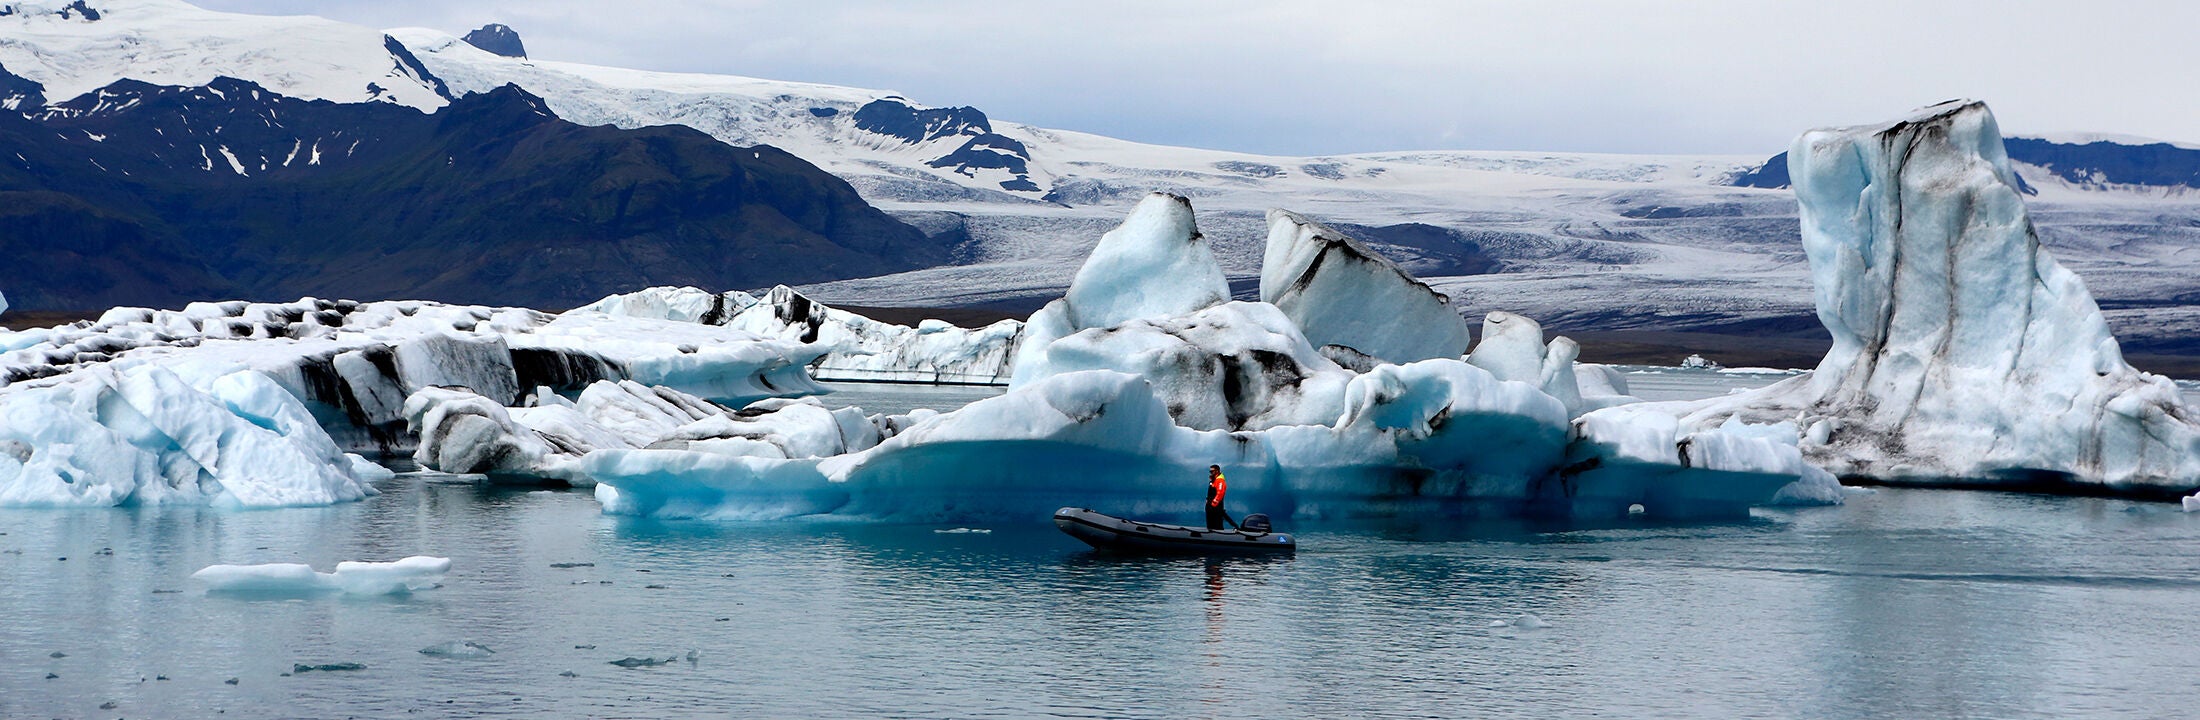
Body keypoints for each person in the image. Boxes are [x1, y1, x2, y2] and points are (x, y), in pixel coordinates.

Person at [1205, 465, 1235, 531]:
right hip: (1211, 507)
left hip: (1215, 507)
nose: (1211, 473)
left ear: (1217, 471)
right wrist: (1207, 501)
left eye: (1212, 471)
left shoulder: (1220, 481)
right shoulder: (1213, 481)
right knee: (1210, 524)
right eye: (1210, 471)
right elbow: (1211, 493)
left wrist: (1213, 504)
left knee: (1217, 524)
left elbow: (1220, 493)